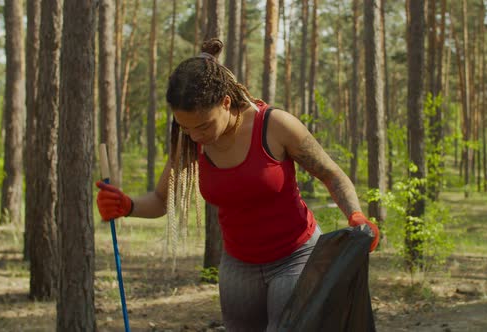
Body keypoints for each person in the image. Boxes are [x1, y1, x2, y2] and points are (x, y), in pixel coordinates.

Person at [95, 38, 379, 332]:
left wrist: (356, 215)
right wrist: (126, 206)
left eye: (204, 125)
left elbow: (331, 175)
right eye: (185, 127)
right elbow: (159, 200)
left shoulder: (274, 126)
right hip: (238, 266)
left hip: (295, 256)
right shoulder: (190, 144)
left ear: (226, 103)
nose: (194, 135)